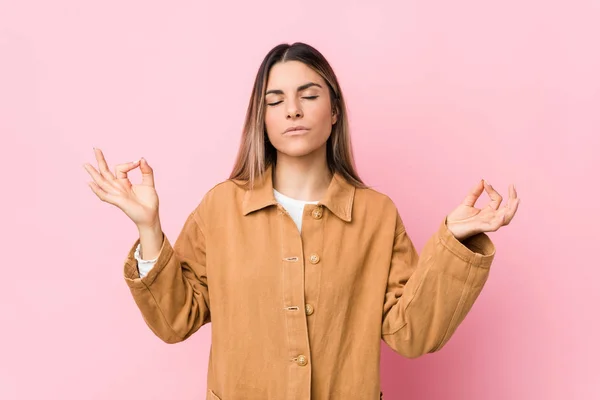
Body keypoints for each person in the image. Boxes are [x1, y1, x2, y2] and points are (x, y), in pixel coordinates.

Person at [83, 42, 520, 400]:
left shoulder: (375, 214)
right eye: (276, 100)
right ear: (264, 119)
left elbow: (411, 333)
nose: (292, 110)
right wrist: (149, 229)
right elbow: (176, 320)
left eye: (309, 95)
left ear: (333, 112)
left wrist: (455, 242)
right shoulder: (220, 207)